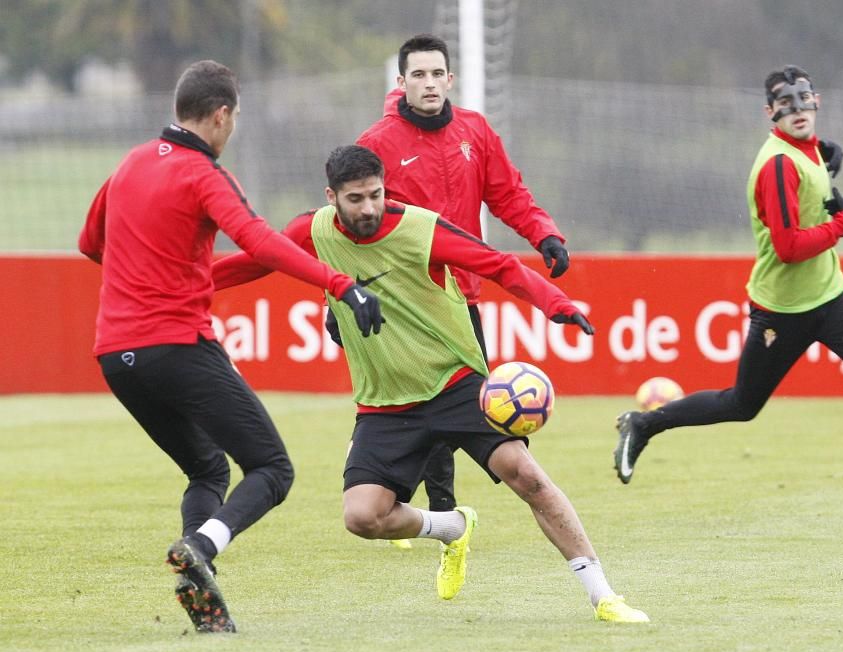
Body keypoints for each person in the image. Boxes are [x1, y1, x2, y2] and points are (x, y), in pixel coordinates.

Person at [211, 144, 648, 623]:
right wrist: (182, 283)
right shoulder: (311, 232)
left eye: (376, 195)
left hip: (455, 383)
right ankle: (452, 527)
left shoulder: (419, 229)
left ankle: (603, 595)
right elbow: (254, 261)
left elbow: (497, 264)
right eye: (355, 199)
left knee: (526, 476)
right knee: (362, 517)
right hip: (384, 404)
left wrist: (554, 302)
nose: (369, 208)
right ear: (331, 197)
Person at [77, 60, 383, 633]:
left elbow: (90, 243)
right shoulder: (203, 175)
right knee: (272, 469)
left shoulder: (129, 164)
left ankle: (202, 587)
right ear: (220, 116)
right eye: (234, 118)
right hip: (177, 345)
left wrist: (148, 269)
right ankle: (201, 545)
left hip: (116, 356)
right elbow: (259, 242)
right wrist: (341, 284)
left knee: (206, 470)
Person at [612, 65, 843, 515]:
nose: (797, 108)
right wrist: (842, 225)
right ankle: (643, 425)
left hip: (829, 297)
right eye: (784, 103)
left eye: (803, 98)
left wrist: (825, 153)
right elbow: (787, 248)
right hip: (783, 310)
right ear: (770, 112)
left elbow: (809, 172)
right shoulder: (777, 166)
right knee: (742, 404)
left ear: (817, 100)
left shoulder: (805, 149)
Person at [325, 34, 571, 536]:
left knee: (473, 409)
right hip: (400, 301)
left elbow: (508, 194)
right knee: (421, 408)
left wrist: (544, 233)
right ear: (402, 82)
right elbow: (347, 230)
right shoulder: (377, 144)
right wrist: (338, 296)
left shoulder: (474, 131)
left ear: (450, 79)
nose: (429, 83)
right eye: (419, 74)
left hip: (463, 297)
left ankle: (451, 513)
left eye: (437, 73)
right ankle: (443, 519)